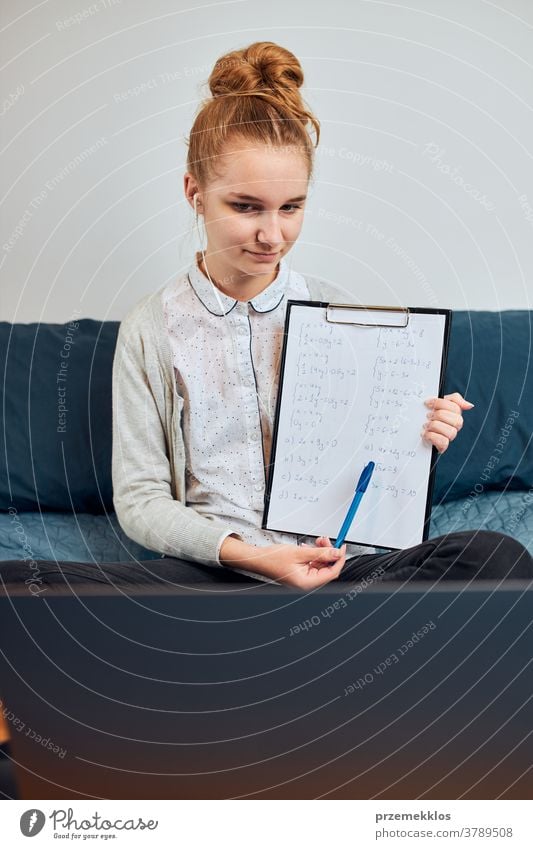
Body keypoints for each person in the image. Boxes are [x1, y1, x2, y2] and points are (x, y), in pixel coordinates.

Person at [108, 40, 533, 590]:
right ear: (195, 193)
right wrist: (254, 559)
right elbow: (141, 501)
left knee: (494, 556)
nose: (272, 235)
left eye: (291, 207)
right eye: (245, 207)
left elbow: (375, 473)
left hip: (341, 571)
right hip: (216, 574)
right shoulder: (151, 327)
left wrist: (417, 434)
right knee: (36, 587)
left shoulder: (345, 313)